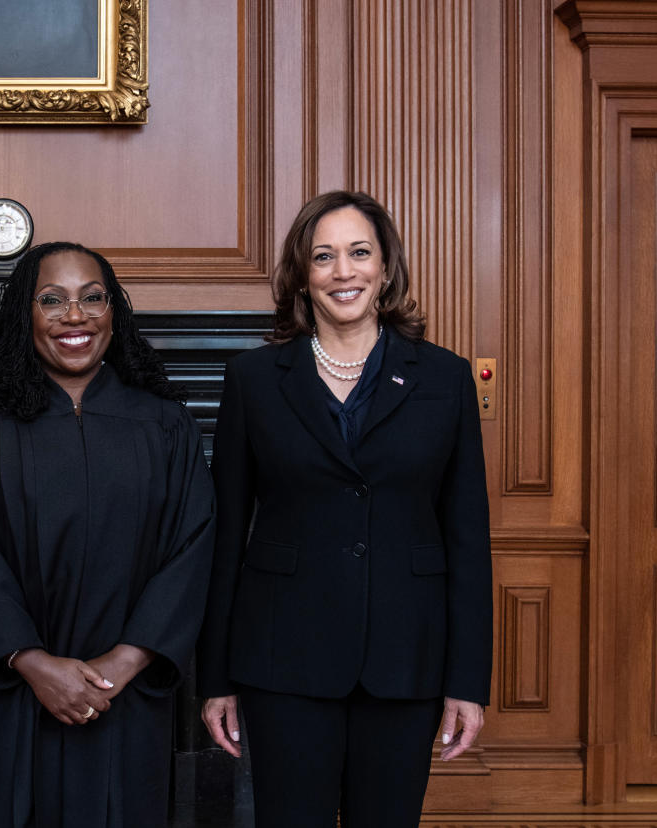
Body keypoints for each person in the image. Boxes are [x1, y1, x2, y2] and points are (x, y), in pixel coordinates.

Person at [196, 191, 492, 827]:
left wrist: (467, 681)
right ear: (303, 275)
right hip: (283, 657)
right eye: (323, 256)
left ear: (386, 269)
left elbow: (467, 538)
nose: (343, 271)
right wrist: (215, 678)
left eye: (359, 253)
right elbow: (224, 538)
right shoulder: (253, 379)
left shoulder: (445, 379)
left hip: (406, 655)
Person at [0, 241, 216, 826]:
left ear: (114, 311)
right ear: (25, 315)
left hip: (128, 696)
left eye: (93, 298)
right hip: (16, 694)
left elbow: (193, 549)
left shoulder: (164, 425)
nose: (75, 316)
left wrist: (125, 661)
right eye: (52, 299)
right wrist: (33, 663)